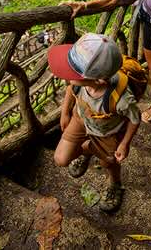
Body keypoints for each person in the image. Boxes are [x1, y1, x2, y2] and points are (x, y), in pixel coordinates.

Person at [48, 33, 141, 213]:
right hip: (80, 119)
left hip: (107, 132)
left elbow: (135, 119)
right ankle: (91, 149)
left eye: (71, 71)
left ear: (98, 80)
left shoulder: (121, 99)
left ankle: (115, 183)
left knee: (109, 162)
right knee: (61, 159)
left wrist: (124, 144)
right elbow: (72, 87)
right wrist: (65, 112)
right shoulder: (81, 82)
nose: (66, 75)